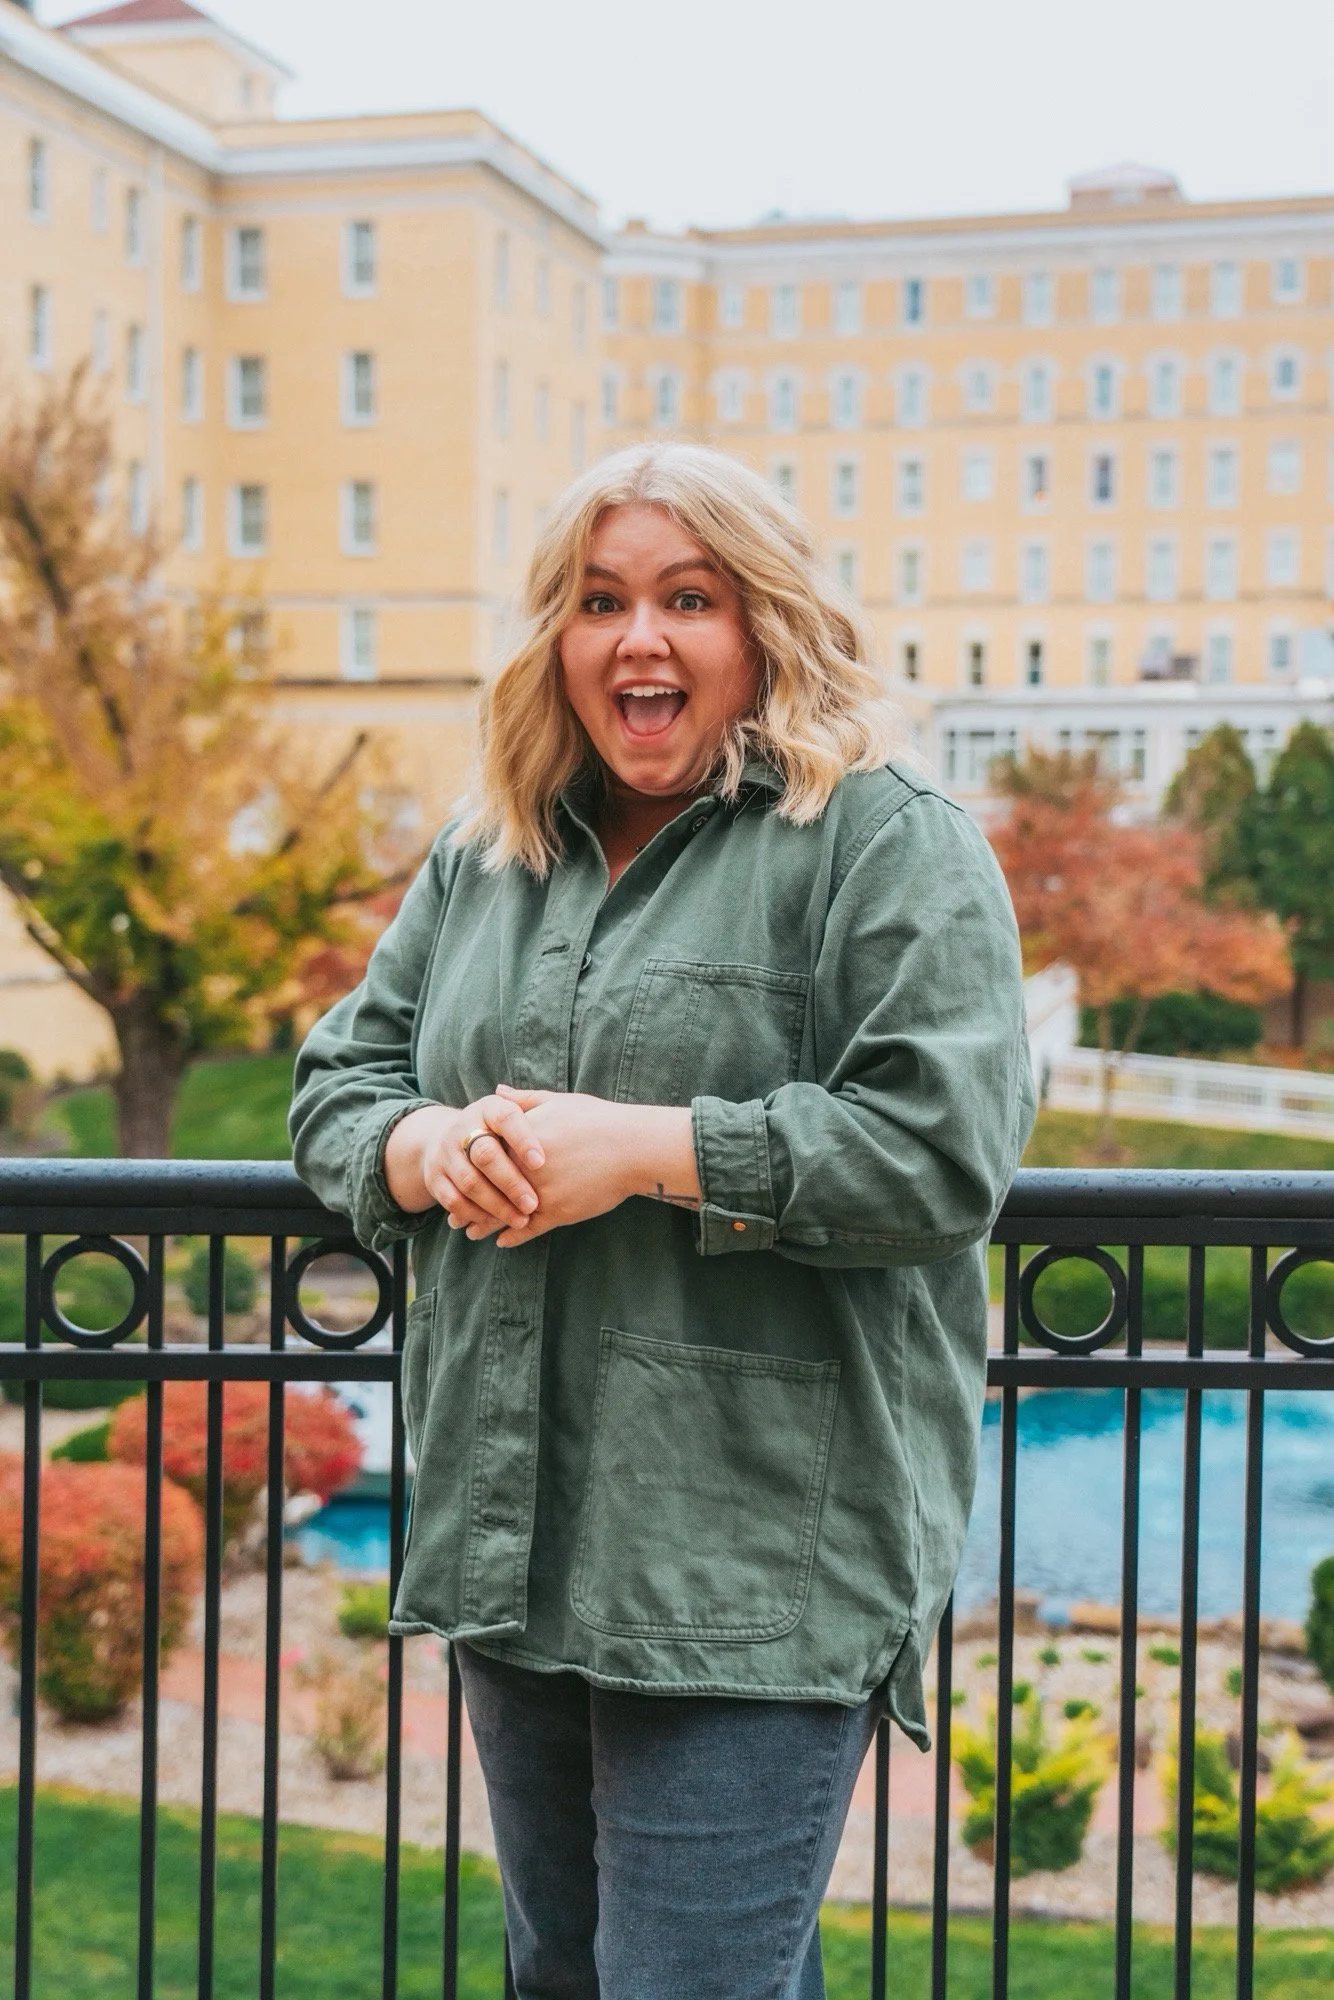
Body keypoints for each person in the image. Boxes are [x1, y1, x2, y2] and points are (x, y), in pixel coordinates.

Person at [290, 442, 1034, 1999]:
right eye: (599, 599)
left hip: (752, 1548)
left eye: (687, 599)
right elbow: (340, 1078)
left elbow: (938, 1148)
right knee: (569, 1977)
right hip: (517, 1527)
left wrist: (645, 1151)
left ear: (762, 625)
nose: (639, 638)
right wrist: (428, 1149)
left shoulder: (883, 841)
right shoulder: (491, 851)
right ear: (555, 638)